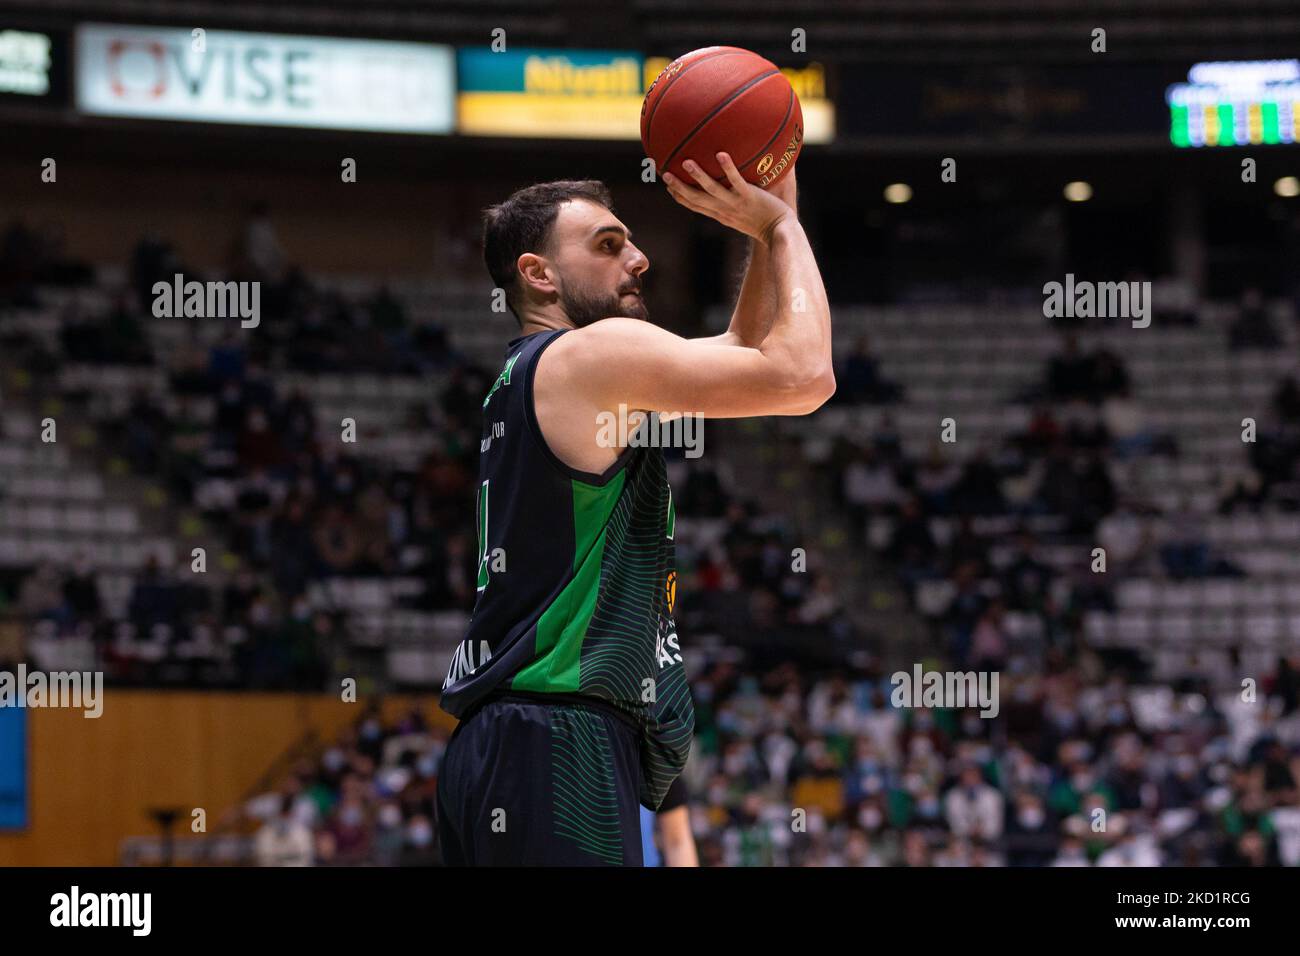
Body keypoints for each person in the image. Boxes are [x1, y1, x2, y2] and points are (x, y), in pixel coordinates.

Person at [436, 156, 834, 866]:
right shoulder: (590, 356)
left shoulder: (539, 371)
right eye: (609, 245)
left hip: (508, 742)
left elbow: (741, 350)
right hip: (557, 740)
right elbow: (802, 376)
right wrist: (781, 225)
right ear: (539, 274)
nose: (640, 259)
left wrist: (768, 226)